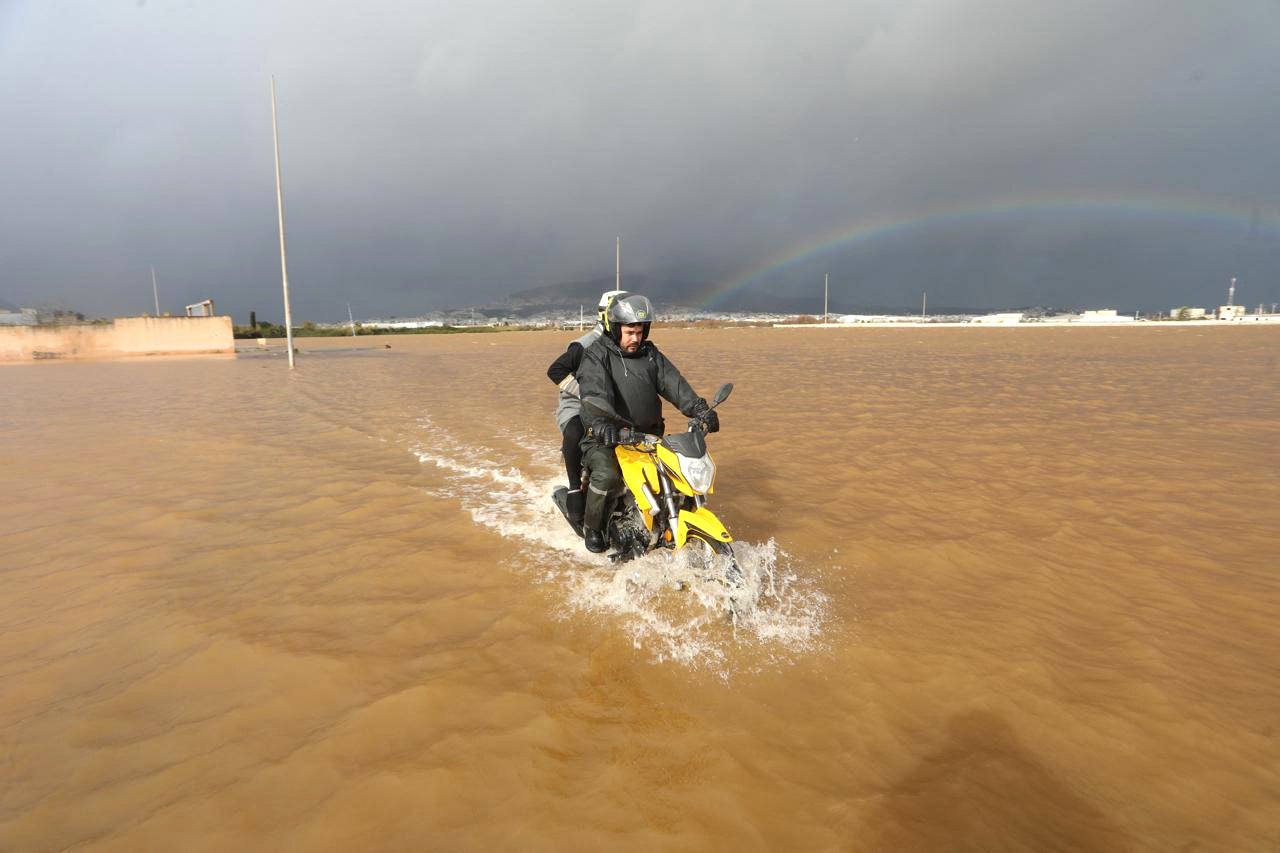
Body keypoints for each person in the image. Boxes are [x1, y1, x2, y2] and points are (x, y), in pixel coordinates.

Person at [575, 293, 720, 553]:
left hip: (648, 438)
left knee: (679, 476)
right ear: (615, 328)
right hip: (606, 437)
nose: (635, 338)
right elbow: (594, 395)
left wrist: (700, 409)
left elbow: (674, 384)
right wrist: (602, 424)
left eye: (640, 332)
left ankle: (669, 523)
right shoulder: (597, 356)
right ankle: (593, 527)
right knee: (607, 475)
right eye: (630, 331)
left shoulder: (650, 354)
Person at [546, 290, 628, 530]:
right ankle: (574, 491)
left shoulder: (626, 344)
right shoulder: (584, 345)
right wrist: (586, 393)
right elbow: (555, 370)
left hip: (611, 408)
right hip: (578, 406)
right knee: (573, 434)